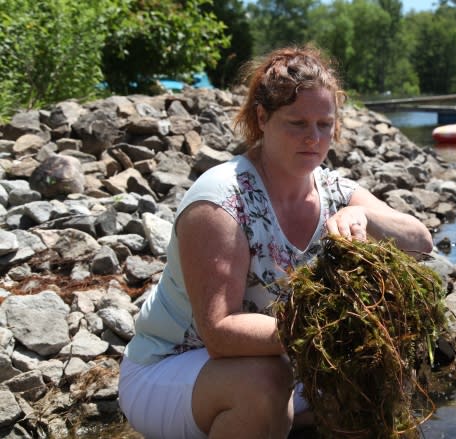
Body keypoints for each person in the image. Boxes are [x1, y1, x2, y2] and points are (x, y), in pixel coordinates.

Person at [118, 45, 433, 439]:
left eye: (324, 124)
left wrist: (365, 215)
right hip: (174, 370)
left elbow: (420, 242)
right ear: (263, 118)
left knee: (373, 378)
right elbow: (219, 333)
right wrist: (334, 329)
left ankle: (291, 419)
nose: (313, 138)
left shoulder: (334, 190)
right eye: (297, 123)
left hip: (285, 361)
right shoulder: (222, 199)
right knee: (265, 383)